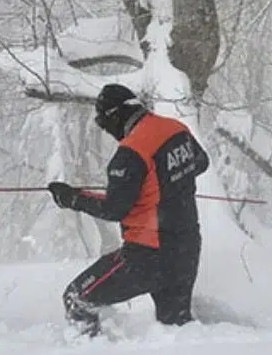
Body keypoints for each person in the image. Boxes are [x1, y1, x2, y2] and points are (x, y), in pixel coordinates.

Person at [47, 84, 210, 338]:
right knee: (175, 331)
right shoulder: (175, 129)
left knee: (77, 298)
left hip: (147, 256)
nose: (108, 131)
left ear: (114, 115)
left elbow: (114, 209)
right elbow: (200, 163)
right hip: (187, 249)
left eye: (103, 123)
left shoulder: (131, 152)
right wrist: (164, 184)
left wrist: (72, 198)